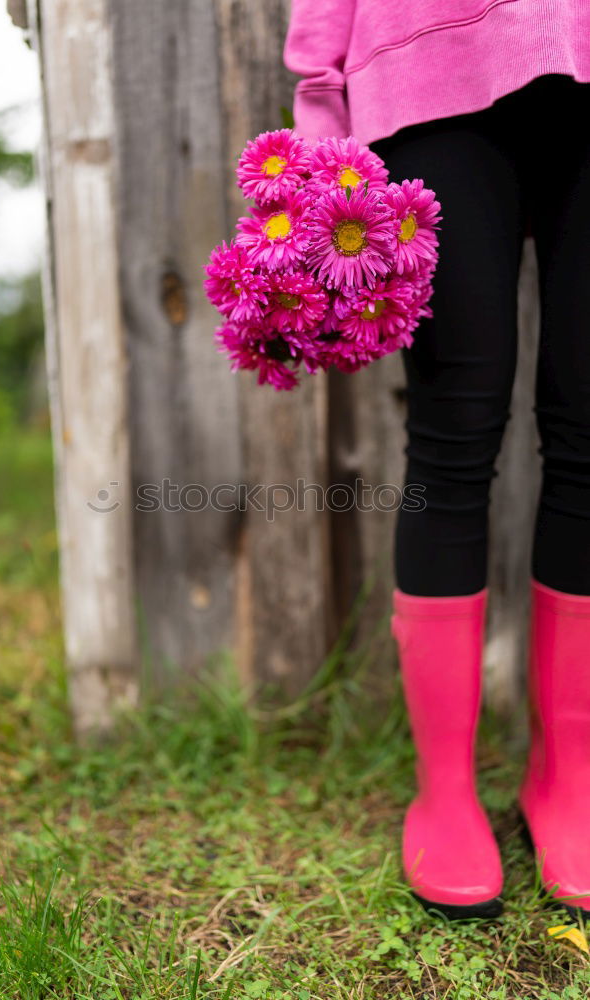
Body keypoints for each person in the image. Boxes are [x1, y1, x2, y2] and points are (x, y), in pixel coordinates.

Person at [283, 0, 590, 920]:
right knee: (455, 430)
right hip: (425, 64)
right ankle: (444, 788)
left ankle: (565, 778)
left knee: (587, 435)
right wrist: (319, 107)